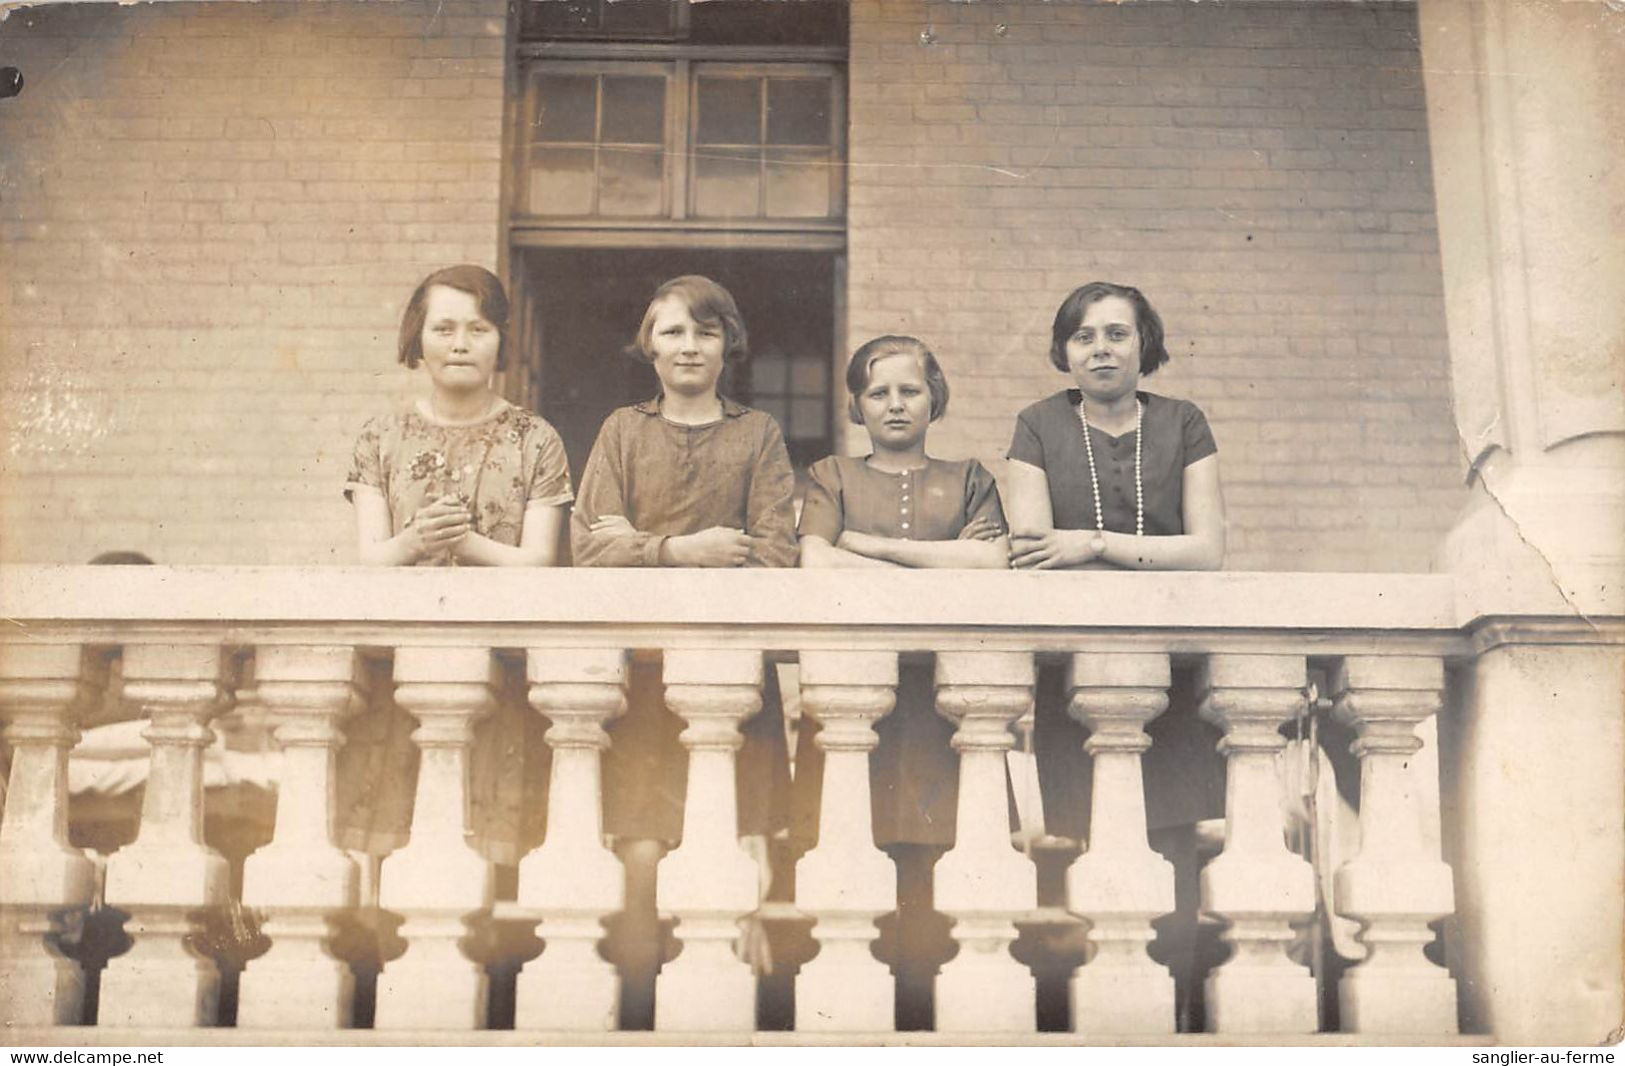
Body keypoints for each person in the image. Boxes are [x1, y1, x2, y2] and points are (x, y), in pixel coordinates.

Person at [570, 274, 797, 1025]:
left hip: (734, 680)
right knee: (639, 851)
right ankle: (637, 1016)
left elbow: (774, 553)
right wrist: (681, 550)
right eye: (671, 331)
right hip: (640, 676)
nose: (688, 346)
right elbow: (586, 551)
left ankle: (724, 1019)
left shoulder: (757, 433)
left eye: (704, 331)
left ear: (727, 343)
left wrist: (635, 544)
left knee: (732, 847)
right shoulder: (622, 432)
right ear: (648, 346)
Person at [1004, 280, 1227, 1029]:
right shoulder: (1036, 425)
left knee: (1173, 843)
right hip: (1079, 667)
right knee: (1093, 840)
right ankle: (1106, 1021)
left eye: (1116, 334)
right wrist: (1137, 555)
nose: (1099, 349)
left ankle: (1179, 1017)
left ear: (1144, 345)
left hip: (1169, 662)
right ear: (1064, 350)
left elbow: (1206, 551)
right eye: (1083, 336)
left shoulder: (1184, 422)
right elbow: (1035, 549)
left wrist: (1094, 544)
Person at [796, 334, 1007, 1025]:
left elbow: (991, 565)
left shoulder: (968, 477)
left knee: (932, 862)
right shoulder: (830, 476)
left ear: (933, 398)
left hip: (940, 708)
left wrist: (878, 548)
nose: (894, 404)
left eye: (909, 390)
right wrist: (930, 569)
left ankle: (921, 1017)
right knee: (849, 852)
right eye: (878, 392)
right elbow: (816, 564)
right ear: (856, 404)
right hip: (851, 702)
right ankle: (850, 1019)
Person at [339, 263, 573, 868]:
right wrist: (416, 540)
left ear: (501, 340)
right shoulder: (380, 438)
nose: (461, 343)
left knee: (490, 853)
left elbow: (541, 562)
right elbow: (370, 561)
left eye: (479, 327)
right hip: (401, 673)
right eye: (444, 328)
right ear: (417, 339)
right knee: (388, 851)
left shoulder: (535, 439)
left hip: (500, 671)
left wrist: (467, 544)